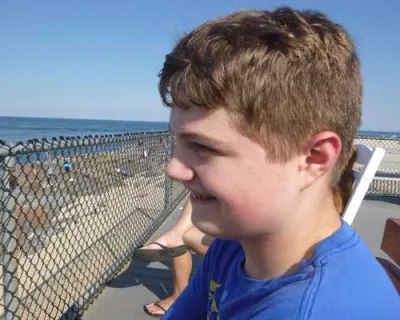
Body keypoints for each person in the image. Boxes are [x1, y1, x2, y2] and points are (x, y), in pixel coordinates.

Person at [154, 7, 399, 319]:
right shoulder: (235, 246)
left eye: (202, 147)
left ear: (314, 158)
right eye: (178, 142)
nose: (173, 168)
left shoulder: (315, 309)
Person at [136, 199, 214, 317]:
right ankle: (175, 234)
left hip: (245, 252)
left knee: (182, 237)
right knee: (184, 233)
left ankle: (178, 297)